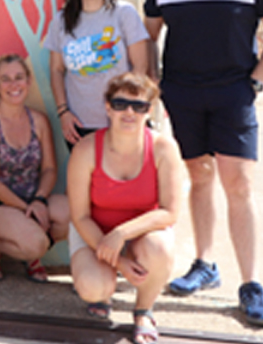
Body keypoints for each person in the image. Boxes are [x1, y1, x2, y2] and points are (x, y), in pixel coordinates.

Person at [144, 0, 263, 328]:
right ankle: (205, 265)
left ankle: (251, 285)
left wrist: (256, 81)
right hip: (184, 94)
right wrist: (156, 86)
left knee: (239, 185)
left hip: (233, 94)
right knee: (199, 178)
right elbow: (148, 37)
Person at [67, 73, 183, 344]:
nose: (129, 112)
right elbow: (80, 216)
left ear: (149, 110)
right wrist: (118, 260)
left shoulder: (164, 148)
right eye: (120, 104)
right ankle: (104, 293)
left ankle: (144, 310)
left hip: (142, 235)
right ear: (107, 107)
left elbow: (170, 212)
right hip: (94, 233)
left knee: (160, 249)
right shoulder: (86, 149)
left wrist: (121, 234)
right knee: (93, 287)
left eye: (139, 106)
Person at [0, 54, 70, 282]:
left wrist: (39, 200)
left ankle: (30, 246)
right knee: (35, 244)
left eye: (19, 77)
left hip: (33, 198)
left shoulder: (39, 120)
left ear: (28, 81)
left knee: (74, 217)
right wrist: (27, 207)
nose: (13, 85)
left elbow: (49, 170)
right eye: (5, 79)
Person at [45, 0, 150, 149]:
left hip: (121, 120)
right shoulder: (61, 20)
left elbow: (140, 66)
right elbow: (57, 70)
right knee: (85, 179)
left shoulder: (124, 13)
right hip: (80, 123)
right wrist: (63, 112)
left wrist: (128, 110)